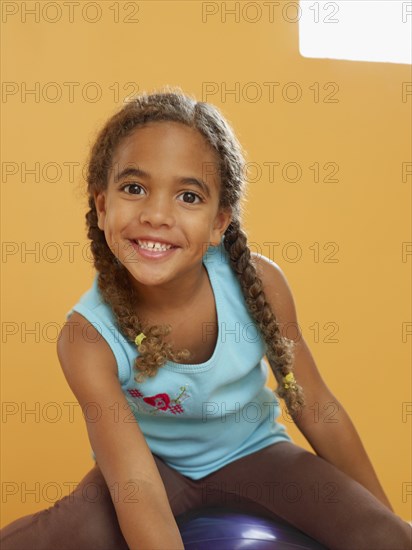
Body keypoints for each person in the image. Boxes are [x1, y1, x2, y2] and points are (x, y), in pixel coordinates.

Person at [1, 88, 410, 550]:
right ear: (101, 206)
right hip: (150, 469)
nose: (156, 214)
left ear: (219, 222)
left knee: (383, 536)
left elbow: (313, 403)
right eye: (134, 188)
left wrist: (384, 522)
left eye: (189, 196)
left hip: (256, 456)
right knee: (57, 536)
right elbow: (137, 490)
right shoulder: (87, 337)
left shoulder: (258, 284)